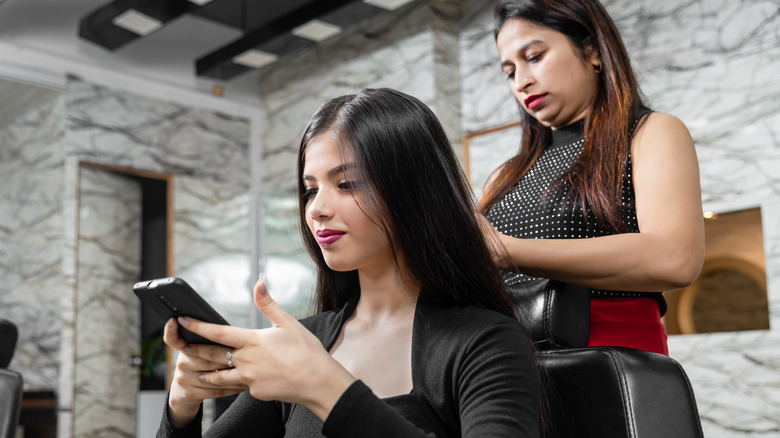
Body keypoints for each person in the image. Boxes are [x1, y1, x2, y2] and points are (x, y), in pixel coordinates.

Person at [157, 88, 541, 437]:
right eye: (310, 190)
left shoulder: (486, 342)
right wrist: (182, 407)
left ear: (412, 192)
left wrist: (323, 385)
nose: (317, 209)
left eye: (346, 184)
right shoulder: (305, 342)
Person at [477, 0, 705, 356]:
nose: (521, 81)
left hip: (608, 364)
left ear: (593, 51)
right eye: (509, 72)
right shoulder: (506, 175)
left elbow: (675, 258)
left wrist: (508, 252)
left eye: (534, 56)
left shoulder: (649, 132)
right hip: (507, 370)